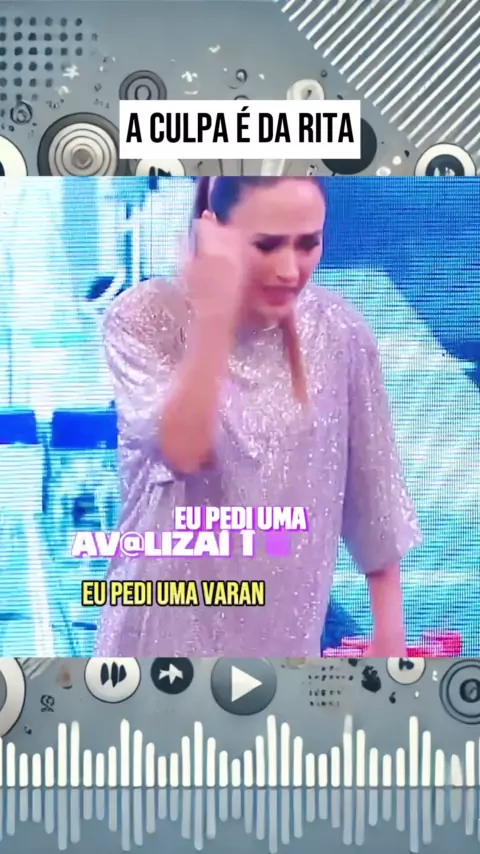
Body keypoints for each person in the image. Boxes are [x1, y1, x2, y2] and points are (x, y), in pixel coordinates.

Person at [94, 176, 422, 658]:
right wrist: (213, 315)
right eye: (266, 245)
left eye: (308, 244)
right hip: (157, 643)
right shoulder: (145, 318)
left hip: (285, 646)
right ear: (213, 231)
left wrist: (390, 636)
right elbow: (184, 449)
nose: (289, 269)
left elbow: (374, 497)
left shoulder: (340, 333)